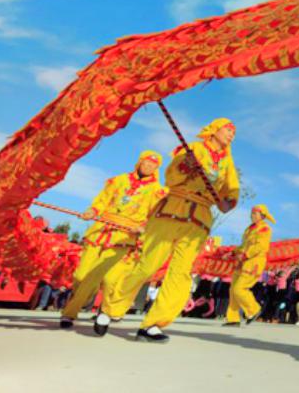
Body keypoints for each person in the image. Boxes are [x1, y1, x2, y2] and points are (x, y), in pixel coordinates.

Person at [97, 118, 240, 342]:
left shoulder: (228, 163)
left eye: (234, 133)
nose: (232, 135)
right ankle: (110, 308)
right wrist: (186, 166)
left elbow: (231, 191)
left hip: (199, 219)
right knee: (147, 266)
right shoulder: (194, 149)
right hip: (172, 210)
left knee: (181, 274)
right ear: (213, 130)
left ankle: (153, 323)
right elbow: (171, 176)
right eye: (228, 130)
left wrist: (227, 203)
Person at [59, 150, 165, 328]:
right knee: (80, 275)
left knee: (101, 277)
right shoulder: (118, 180)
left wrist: (142, 227)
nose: (149, 166)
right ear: (139, 162)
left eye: (153, 164)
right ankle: (85, 296)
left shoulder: (156, 191)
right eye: (146, 162)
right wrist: (92, 211)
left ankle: (71, 313)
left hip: (124, 237)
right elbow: (102, 201)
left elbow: (154, 216)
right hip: (101, 230)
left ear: (156, 169)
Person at [225, 204, 274, 325]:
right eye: (251, 213)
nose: (252, 216)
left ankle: (254, 309)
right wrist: (232, 252)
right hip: (243, 261)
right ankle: (233, 319)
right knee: (233, 289)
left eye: (255, 213)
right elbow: (243, 245)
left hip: (254, 262)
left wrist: (246, 254)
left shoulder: (265, 229)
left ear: (262, 215)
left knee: (239, 288)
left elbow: (260, 246)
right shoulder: (249, 229)